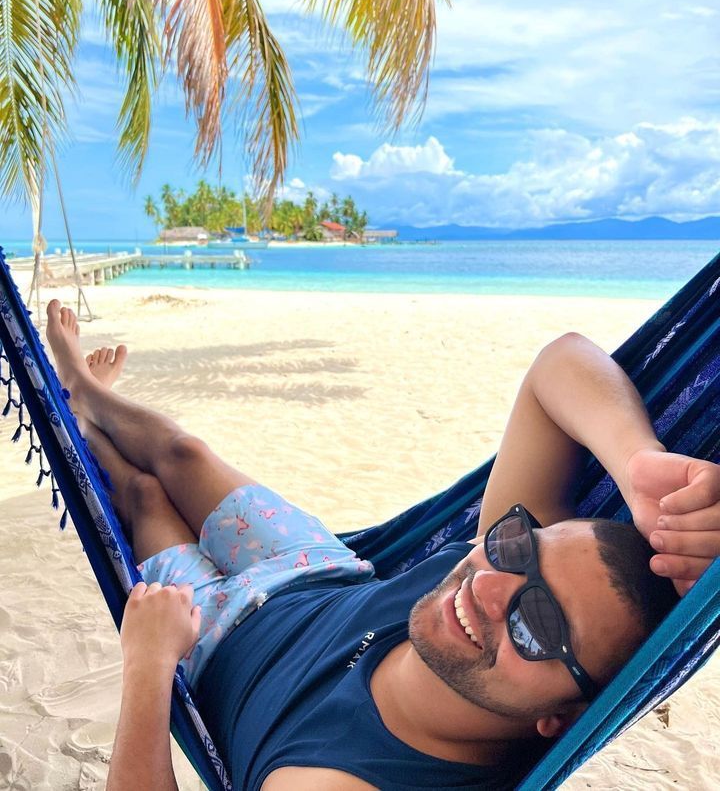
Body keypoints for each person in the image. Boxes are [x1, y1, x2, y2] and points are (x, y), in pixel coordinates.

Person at [44, 300, 720, 791]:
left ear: (563, 717)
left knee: (141, 498)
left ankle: (77, 413)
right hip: (315, 569)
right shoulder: (497, 570)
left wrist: (148, 665)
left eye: (536, 625)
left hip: (207, 631)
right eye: (517, 548)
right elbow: (560, 363)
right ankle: (84, 388)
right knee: (182, 451)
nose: (484, 585)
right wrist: (640, 472)